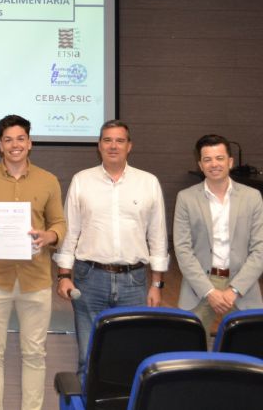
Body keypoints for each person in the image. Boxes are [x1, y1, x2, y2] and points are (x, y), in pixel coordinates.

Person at [53, 120, 169, 376]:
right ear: (99, 145)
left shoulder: (148, 182)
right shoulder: (82, 180)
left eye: (119, 140)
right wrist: (63, 276)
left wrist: (157, 284)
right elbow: (70, 232)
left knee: (130, 356)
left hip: (134, 282)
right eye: (107, 140)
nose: (113, 146)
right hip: (89, 279)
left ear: (129, 146)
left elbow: (158, 235)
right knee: (87, 357)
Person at [0, 114, 66, 410]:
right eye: (8, 140)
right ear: (0, 145)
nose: (15, 145)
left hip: (35, 279)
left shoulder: (48, 180)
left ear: (30, 142)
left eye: (20, 139)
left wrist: (49, 236)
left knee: (35, 354)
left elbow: (60, 224)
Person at [174, 134, 263, 335]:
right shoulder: (186, 198)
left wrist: (234, 290)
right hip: (200, 286)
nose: (214, 164)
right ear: (200, 164)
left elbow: (260, 249)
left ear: (230, 162)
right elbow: (182, 250)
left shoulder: (252, 197)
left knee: (248, 352)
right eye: (207, 159)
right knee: (191, 350)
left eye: (219, 158)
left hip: (242, 285)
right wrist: (210, 292)